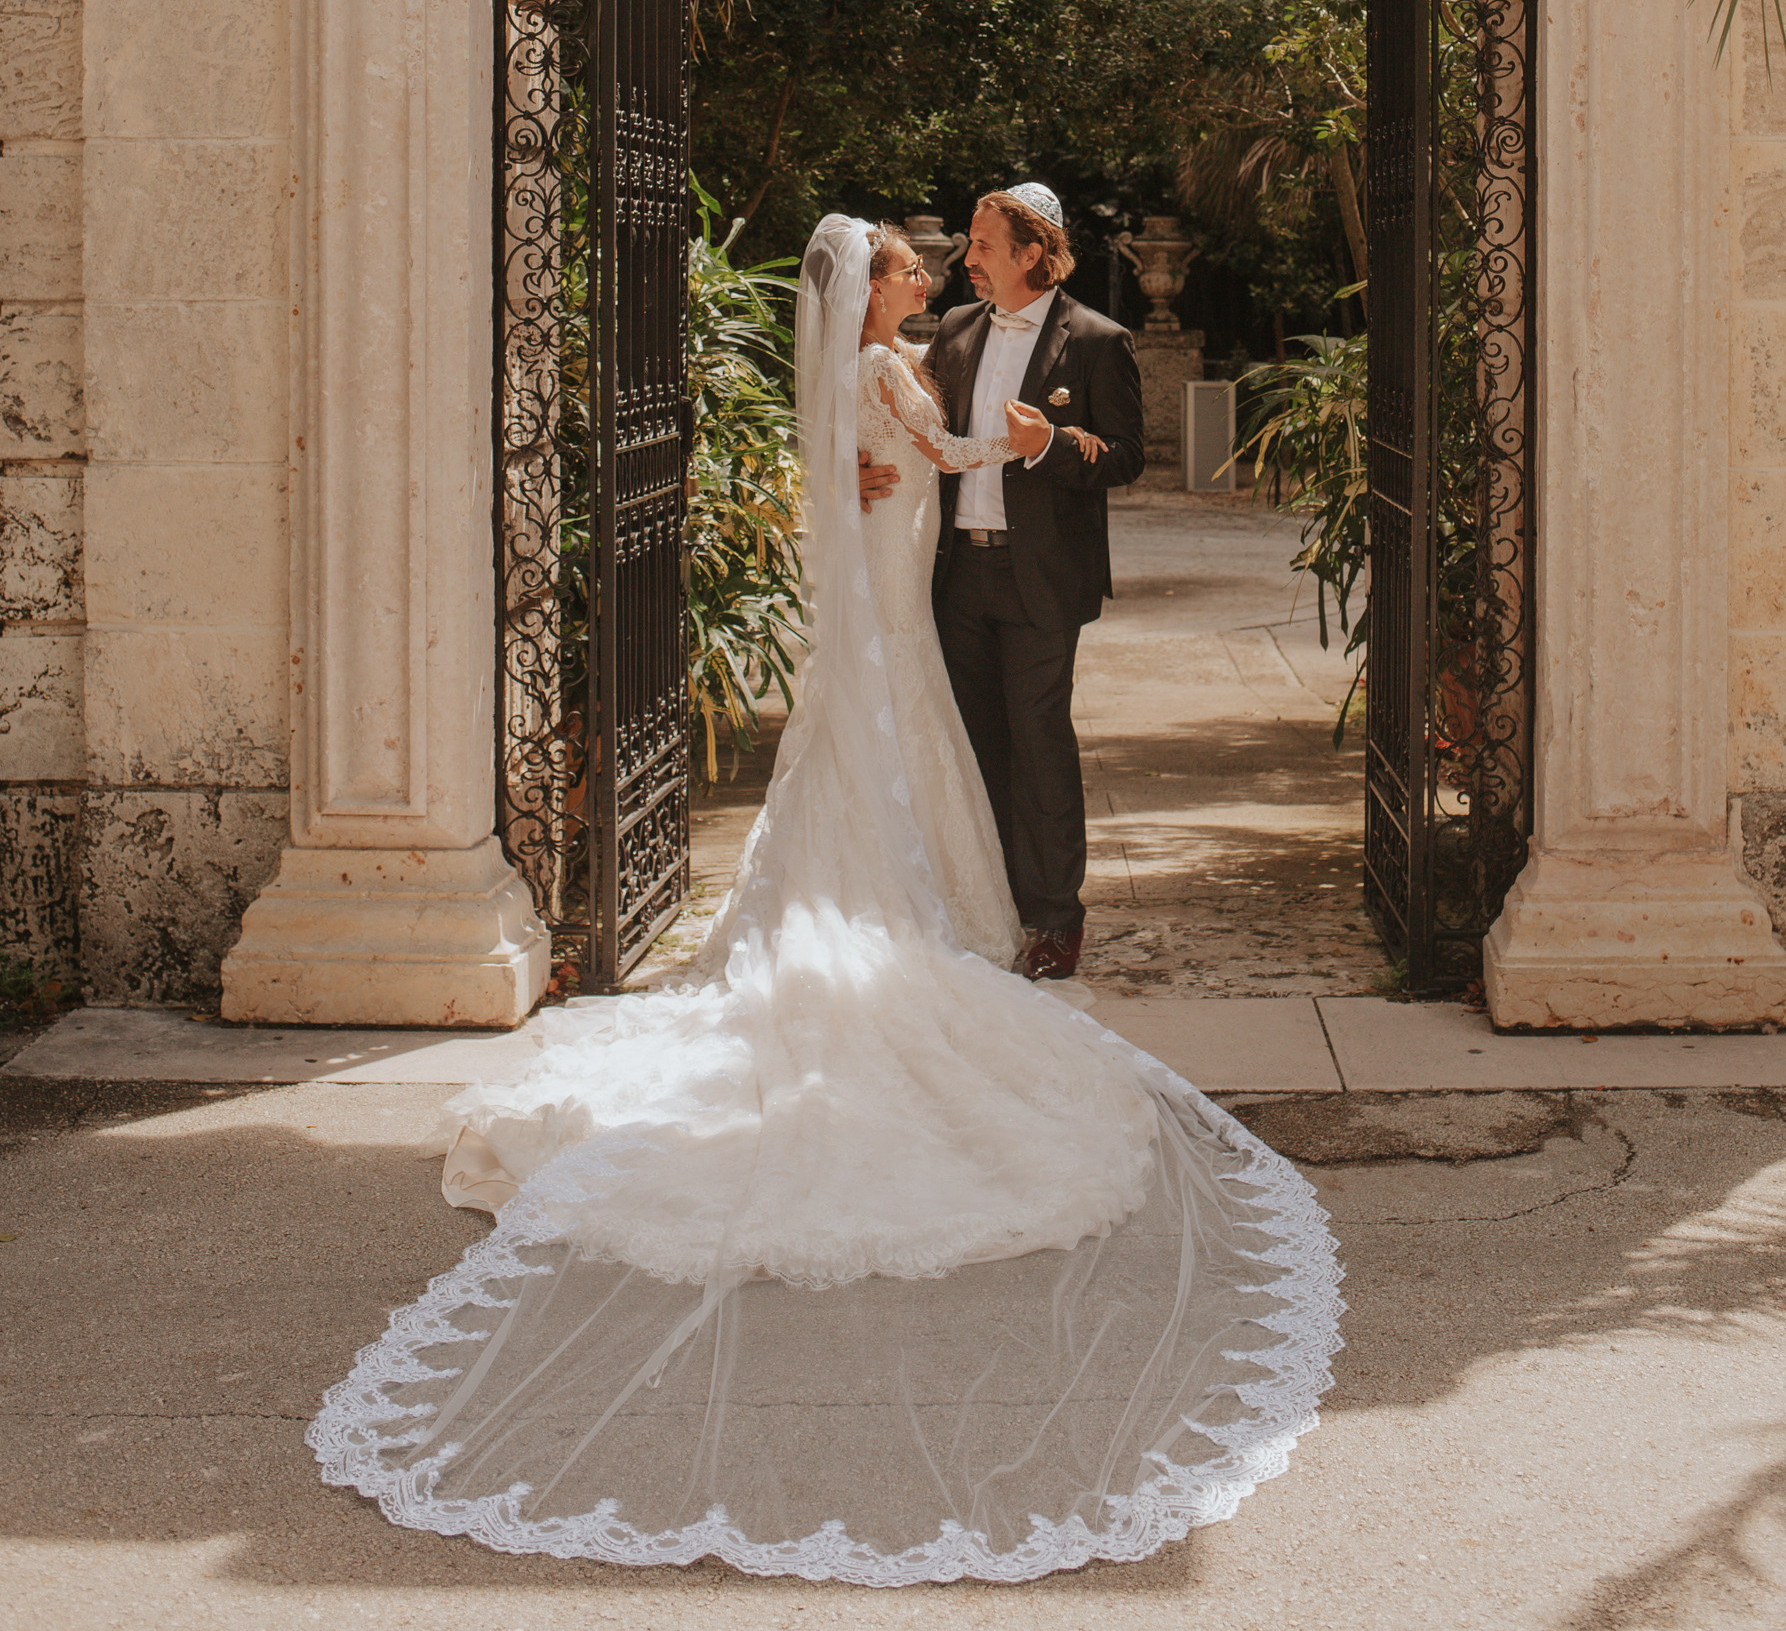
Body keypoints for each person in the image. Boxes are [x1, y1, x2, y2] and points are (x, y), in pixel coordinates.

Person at [309, 213, 1341, 1582]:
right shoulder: (900, 365)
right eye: (920, 260)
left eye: (957, 249)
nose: (939, 265)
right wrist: (1014, 443)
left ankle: (1024, 905)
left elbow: (970, 454)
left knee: (975, 752)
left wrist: (1039, 450)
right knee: (919, 756)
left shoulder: (935, 355)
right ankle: (958, 918)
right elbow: (954, 449)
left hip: (947, 592)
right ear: (883, 288)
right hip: (910, 608)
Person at [859, 184, 1144, 983]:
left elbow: (1126, 455)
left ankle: (1055, 920)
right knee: (974, 747)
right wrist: (848, 465)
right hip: (952, 574)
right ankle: (989, 907)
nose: (967, 259)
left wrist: (1054, 441)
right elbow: (874, 388)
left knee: (1040, 745)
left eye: (983, 245)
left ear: (1031, 253)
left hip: (1044, 579)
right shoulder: (952, 330)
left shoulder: (1098, 340)